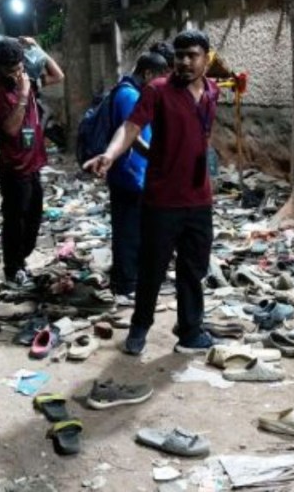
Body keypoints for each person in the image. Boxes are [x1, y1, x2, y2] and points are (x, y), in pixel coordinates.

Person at [83, 29, 219, 355]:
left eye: (192, 55)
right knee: (151, 269)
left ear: (206, 58)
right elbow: (130, 127)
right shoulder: (157, 90)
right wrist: (110, 154)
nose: (185, 62)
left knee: (193, 270)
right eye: (180, 55)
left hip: (199, 199)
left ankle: (190, 331)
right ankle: (139, 327)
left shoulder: (212, 91)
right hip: (162, 200)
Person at [0, 36, 64, 286]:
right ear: (0, 69)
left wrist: (38, 48)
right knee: (15, 221)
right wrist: (24, 94)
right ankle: (12, 268)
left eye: (19, 67)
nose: (17, 74)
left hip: (33, 164)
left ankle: (21, 260)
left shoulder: (28, 79)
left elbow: (58, 76)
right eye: (12, 70)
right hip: (14, 168)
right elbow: (11, 129)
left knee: (33, 218)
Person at [107, 52, 169, 305]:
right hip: (129, 173)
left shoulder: (127, 90)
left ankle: (128, 279)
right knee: (129, 231)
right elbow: (132, 134)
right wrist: (159, 158)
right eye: (159, 79)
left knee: (133, 228)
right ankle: (126, 284)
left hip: (132, 172)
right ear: (148, 74)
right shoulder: (130, 95)